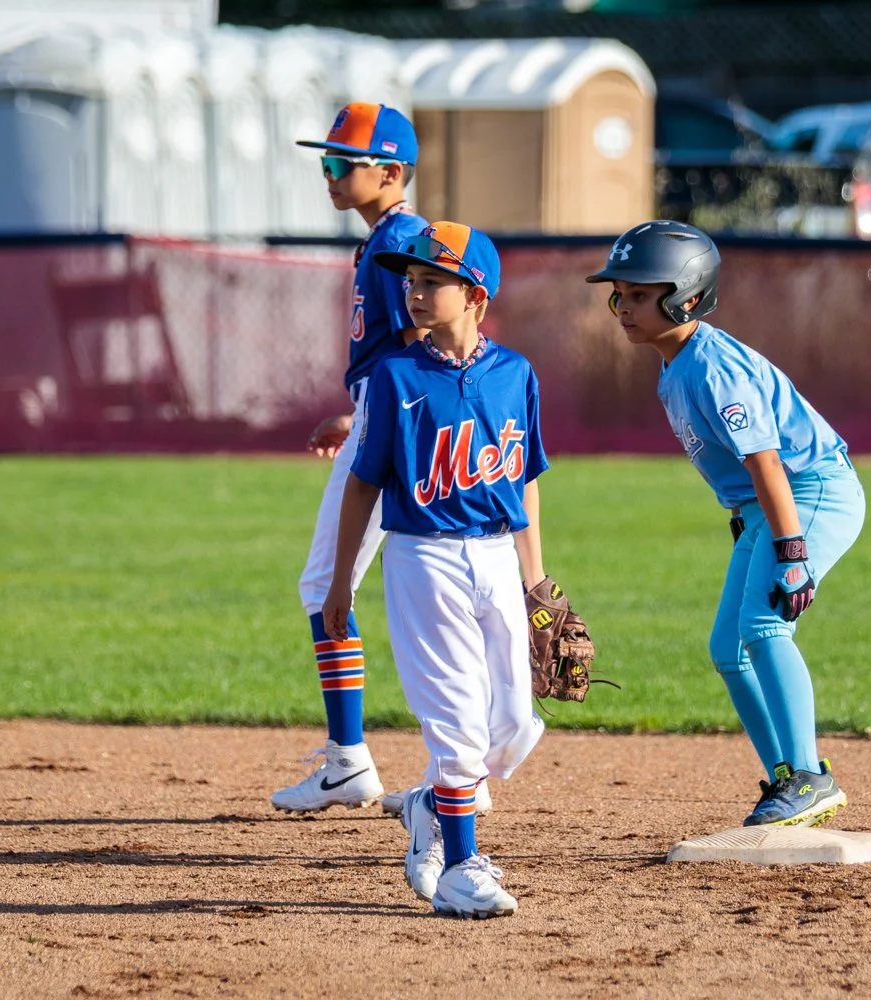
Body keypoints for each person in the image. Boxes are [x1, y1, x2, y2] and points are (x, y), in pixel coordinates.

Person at [586, 220, 866, 828]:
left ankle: (811, 777)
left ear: (687, 297)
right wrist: (750, 522)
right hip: (768, 505)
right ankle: (788, 780)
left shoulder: (714, 369)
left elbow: (766, 461)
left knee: (765, 624)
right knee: (728, 649)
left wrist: (791, 550)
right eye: (619, 294)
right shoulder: (675, 364)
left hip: (810, 490)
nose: (623, 306)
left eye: (639, 294)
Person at [322, 221, 547, 918]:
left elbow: (526, 482)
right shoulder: (395, 376)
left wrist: (535, 579)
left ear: (475, 295)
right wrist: (340, 581)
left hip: (495, 556)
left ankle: (429, 806)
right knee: (457, 724)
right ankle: (459, 867)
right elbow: (362, 483)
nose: (414, 293)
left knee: (513, 725)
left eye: (431, 281)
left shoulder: (515, 374)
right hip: (424, 557)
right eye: (411, 281)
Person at [269, 102, 429, 814]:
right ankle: (465, 768)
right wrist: (361, 410)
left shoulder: (400, 242)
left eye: (342, 162)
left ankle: (348, 762)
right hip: (389, 421)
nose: (329, 174)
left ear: (391, 172)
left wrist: (382, 425)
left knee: (326, 587)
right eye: (326, 162)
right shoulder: (388, 238)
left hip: (398, 432)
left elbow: (426, 345)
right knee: (430, 593)